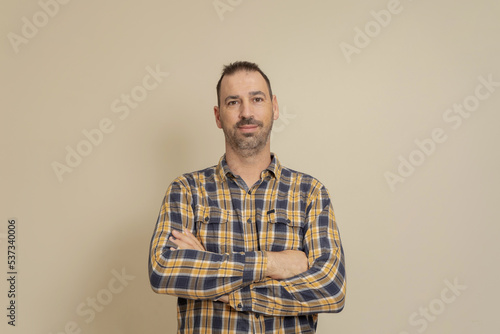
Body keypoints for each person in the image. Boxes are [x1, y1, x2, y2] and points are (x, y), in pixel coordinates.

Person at [148, 61, 346, 333]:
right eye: (233, 102)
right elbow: (164, 270)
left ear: (274, 107)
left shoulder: (310, 192)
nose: (246, 112)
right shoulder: (186, 190)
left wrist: (223, 288)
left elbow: (331, 288)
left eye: (257, 99)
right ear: (218, 116)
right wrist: (272, 263)